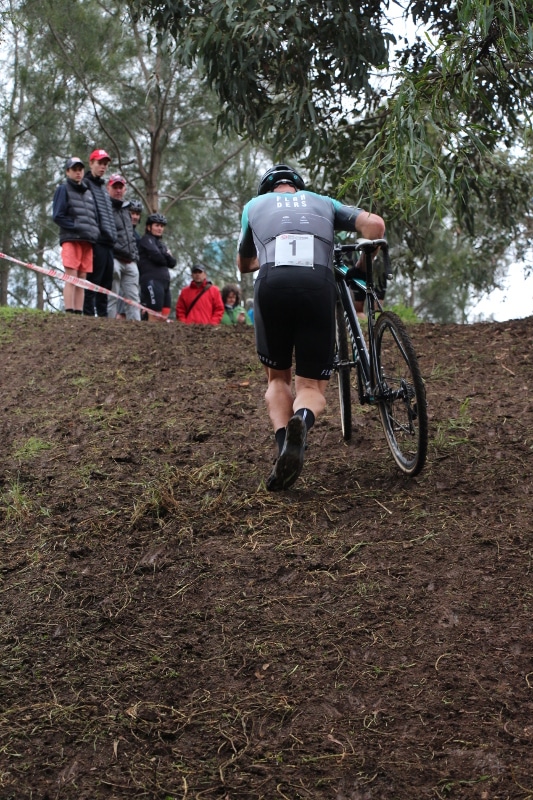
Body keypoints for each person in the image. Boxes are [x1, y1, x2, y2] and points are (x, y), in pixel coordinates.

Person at [237, 163, 385, 491]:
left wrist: (272, 250)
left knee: (277, 379)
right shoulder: (323, 201)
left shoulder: (253, 206)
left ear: (267, 190)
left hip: (272, 281)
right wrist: (366, 254)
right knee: (312, 389)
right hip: (317, 282)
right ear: (298, 187)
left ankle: (284, 448)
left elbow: (243, 264)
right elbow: (375, 225)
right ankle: (301, 421)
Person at [52, 157, 100, 314]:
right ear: (68, 172)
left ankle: (78, 313)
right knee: (71, 276)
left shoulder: (88, 193)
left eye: (80, 169)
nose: (78, 172)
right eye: (74, 169)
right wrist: (76, 226)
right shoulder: (63, 189)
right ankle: (70, 310)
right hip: (71, 239)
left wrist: (94, 231)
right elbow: (58, 215)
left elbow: (93, 216)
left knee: (82, 278)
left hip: (87, 240)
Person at [83, 149, 117, 317]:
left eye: (105, 164)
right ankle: (88, 316)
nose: (103, 167)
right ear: (91, 164)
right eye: (99, 163)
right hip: (97, 241)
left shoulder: (103, 187)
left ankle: (103, 317)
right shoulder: (85, 183)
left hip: (109, 241)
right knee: (93, 281)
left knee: (106, 284)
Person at [106, 175, 141, 321]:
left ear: (125, 189)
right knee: (112, 295)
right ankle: (109, 327)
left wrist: (134, 254)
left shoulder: (127, 209)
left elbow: (131, 235)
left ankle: (137, 329)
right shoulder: (105, 206)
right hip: (114, 257)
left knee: (133, 297)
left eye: (121, 187)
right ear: (109, 188)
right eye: (115, 187)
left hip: (130, 259)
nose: (118, 190)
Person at [138, 213, 176, 321]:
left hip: (165, 283)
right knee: (154, 314)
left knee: (164, 315)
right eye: (157, 225)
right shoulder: (146, 239)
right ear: (149, 227)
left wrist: (166, 257)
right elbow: (157, 256)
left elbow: (173, 263)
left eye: (162, 226)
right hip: (152, 281)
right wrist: (167, 256)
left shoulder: (162, 244)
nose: (160, 228)